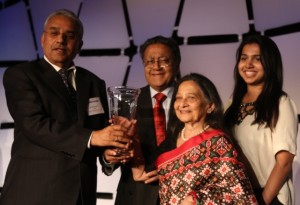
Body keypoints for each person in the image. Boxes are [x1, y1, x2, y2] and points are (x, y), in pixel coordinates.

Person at [0, 9, 132, 205]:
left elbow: (98, 138)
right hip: (34, 194)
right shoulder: (21, 75)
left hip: (81, 195)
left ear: (79, 45)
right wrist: (93, 137)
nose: (61, 40)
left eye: (69, 36)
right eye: (54, 33)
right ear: (43, 39)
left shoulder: (94, 82)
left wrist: (108, 156)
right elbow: (34, 124)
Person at [132, 73, 258, 205]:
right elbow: (142, 174)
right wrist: (132, 137)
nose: (182, 104)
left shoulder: (218, 143)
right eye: (178, 98)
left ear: (210, 106)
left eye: (191, 98)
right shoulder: (170, 141)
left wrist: (197, 199)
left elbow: (242, 196)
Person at [101, 35, 181, 205]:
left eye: (163, 61)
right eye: (149, 61)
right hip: (134, 196)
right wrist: (109, 159)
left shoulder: (190, 101)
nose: (156, 67)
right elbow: (111, 157)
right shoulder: (127, 102)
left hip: (181, 195)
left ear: (177, 63)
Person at [224, 35, 298, 205]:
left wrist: (261, 201)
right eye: (244, 58)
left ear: (270, 63)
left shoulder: (281, 103)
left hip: (269, 197)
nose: (248, 64)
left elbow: (284, 162)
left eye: (257, 59)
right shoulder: (231, 103)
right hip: (237, 196)